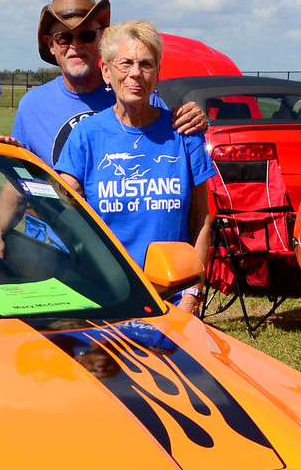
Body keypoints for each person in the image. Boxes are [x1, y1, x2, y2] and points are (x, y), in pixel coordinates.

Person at [0, 0, 207, 256]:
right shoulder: (33, 105)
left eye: (86, 35)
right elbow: (19, 187)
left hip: (136, 259)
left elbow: (170, 160)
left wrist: (195, 118)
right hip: (65, 255)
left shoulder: (139, 96)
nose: (75, 46)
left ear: (101, 40)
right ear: (51, 44)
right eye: (64, 38)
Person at [54, 21, 216, 315]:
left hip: (173, 300)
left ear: (158, 73)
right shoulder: (86, 135)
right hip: (107, 297)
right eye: (125, 63)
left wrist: (192, 294)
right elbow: (63, 211)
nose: (136, 73)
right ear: (106, 71)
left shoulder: (184, 133)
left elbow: (201, 220)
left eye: (146, 64)